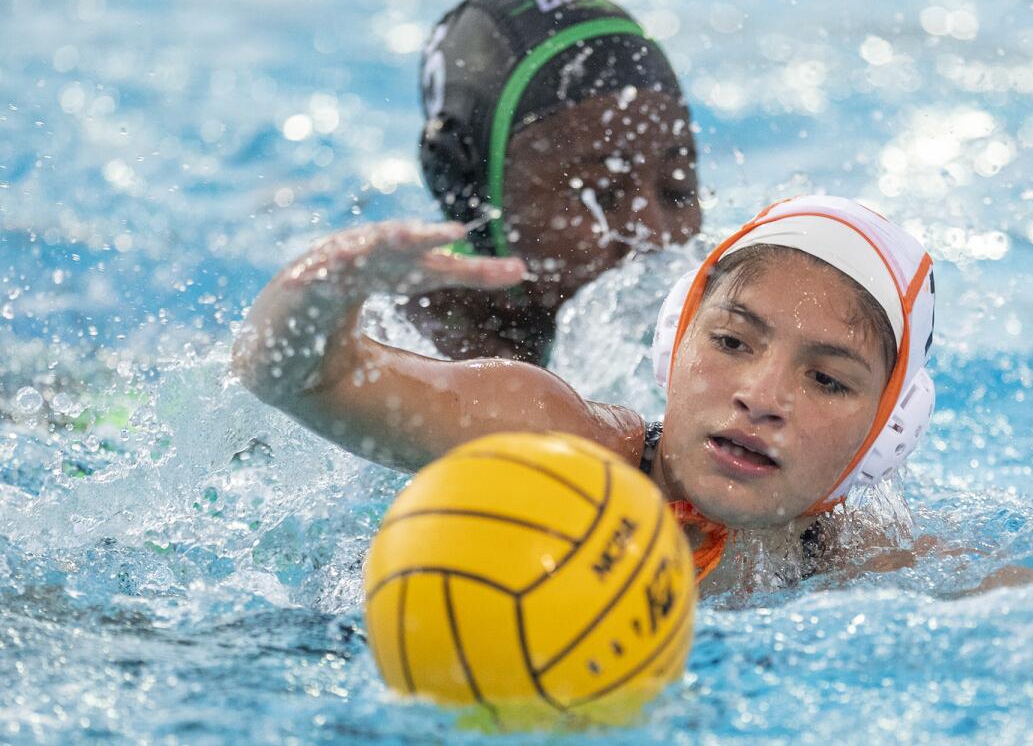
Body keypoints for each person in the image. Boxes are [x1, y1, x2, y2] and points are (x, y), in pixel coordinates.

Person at [232, 194, 945, 593]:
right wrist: (321, 290)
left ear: (886, 430)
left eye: (826, 379)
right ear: (676, 344)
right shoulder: (548, 443)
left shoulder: (858, 567)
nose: (761, 396)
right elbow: (292, 374)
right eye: (731, 342)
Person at [406, 0, 700, 365]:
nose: (654, 235)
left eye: (676, 189)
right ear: (474, 203)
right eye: (601, 194)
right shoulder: (420, 355)